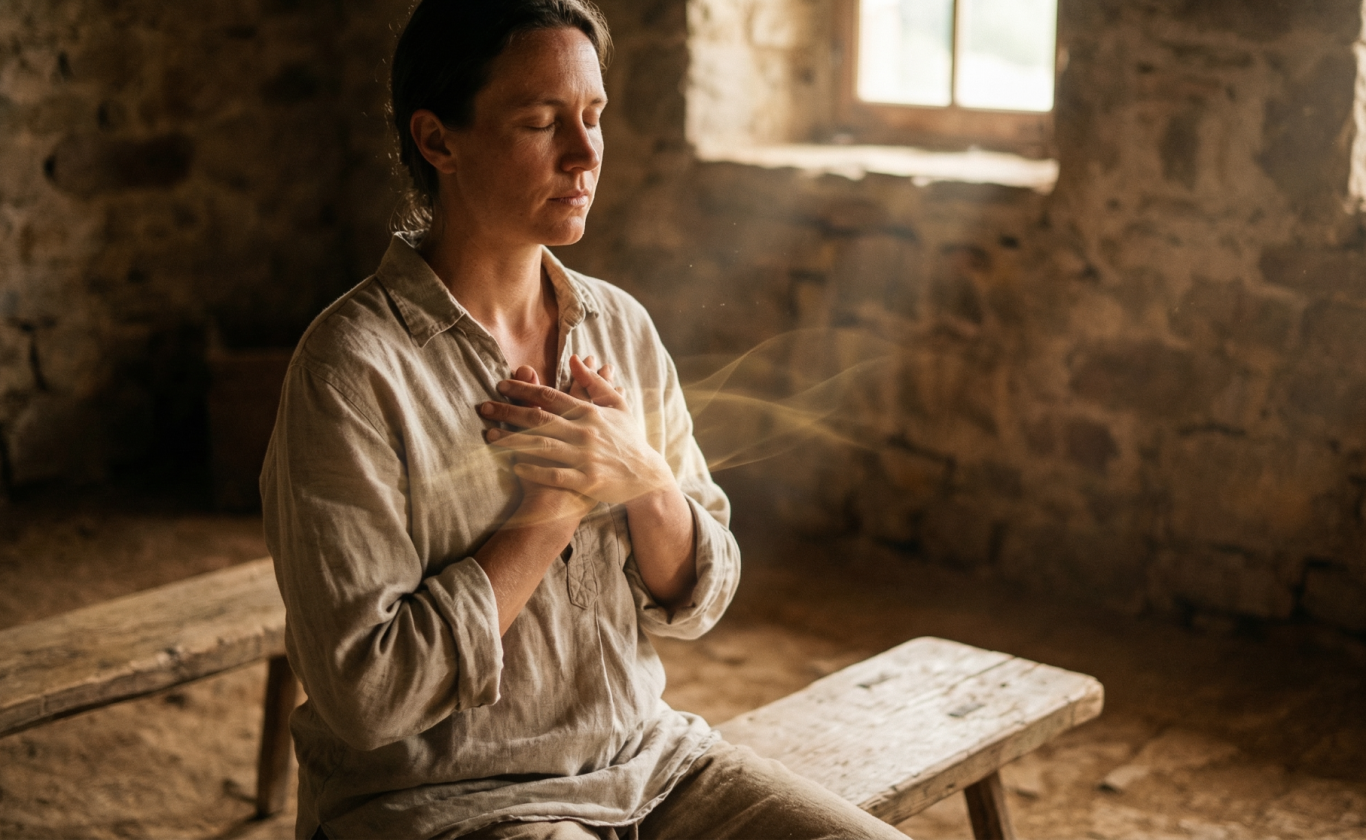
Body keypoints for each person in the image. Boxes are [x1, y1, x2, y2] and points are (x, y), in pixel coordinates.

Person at [260, 1, 908, 837]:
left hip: (650, 763)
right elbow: (367, 694)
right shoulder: (351, 370)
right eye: (541, 122)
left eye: (594, 117)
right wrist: (548, 517)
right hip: (446, 803)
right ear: (438, 141)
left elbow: (703, 594)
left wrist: (646, 482)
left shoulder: (618, 327)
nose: (585, 153)